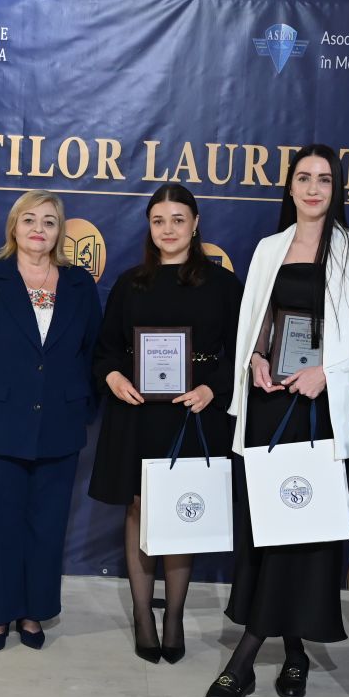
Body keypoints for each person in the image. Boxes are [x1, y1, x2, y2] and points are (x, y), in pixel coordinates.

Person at [204, 144, 349, 697]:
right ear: (289, 186)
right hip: (269, 404)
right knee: (268, 527)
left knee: (304, 529)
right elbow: (257, 321)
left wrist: (328, 372)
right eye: (303, 178)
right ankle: (295, 652)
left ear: (337, 188)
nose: (312, 188)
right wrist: (257, 358)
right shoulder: (270, 248)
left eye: (324, 179)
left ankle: (243, 659)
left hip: (319, 410)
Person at [88, 184, 241, 664]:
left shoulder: (223, 285)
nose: (168, 229)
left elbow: (242, 352)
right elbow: (104, 350)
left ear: (195, 224)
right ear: (149, 227)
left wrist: (212, 389)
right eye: (159, 221)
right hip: (137, 412)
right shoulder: (130, 283)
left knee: (180, 512)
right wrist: (113, 377)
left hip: (193, 412)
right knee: (138, 507)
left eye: (178, 219)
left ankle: (173, 616)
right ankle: (142, 615)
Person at [0, 190, 102, 652]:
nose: (39, 229)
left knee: (46, 527)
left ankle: (34, 611)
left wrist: (82, 407)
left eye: (49, 221)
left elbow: (92, 351)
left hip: (59, 426)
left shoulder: (79, 284)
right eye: (29, 219)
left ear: (59, 231)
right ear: (14, 226)